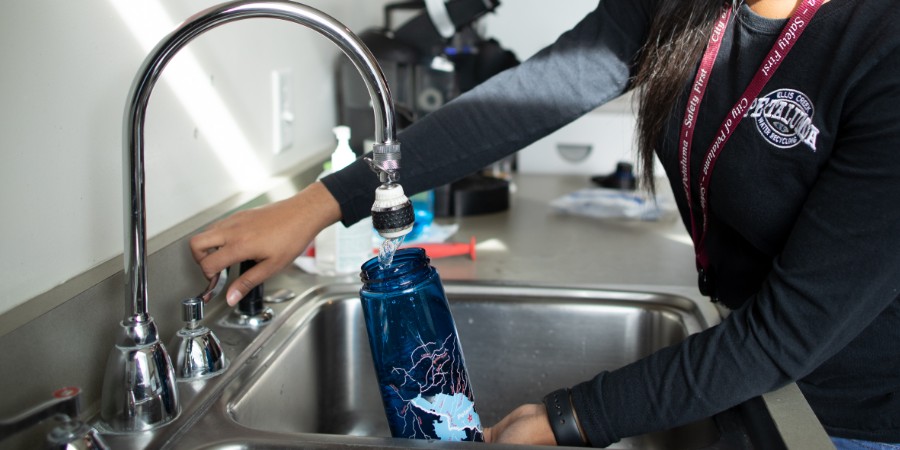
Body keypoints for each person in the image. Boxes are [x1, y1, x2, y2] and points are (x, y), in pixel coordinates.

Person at [190, 0, 900, 447]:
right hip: (747, 374)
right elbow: (527, 99)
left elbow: (791, 332)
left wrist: (574, 418)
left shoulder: (881, 43)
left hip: (853, 415)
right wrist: (320, 203)